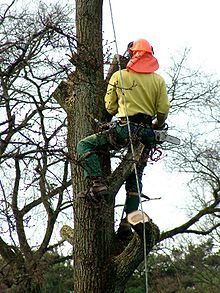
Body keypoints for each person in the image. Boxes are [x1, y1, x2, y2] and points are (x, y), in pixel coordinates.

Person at [77, 38, 170, 237]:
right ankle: (127, 225)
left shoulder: (120, 76)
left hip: (123, 129)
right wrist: (158, 127)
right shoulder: (158, 80)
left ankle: (97, 182)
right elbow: (163, 110)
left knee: (84, 145)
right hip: (146, 133)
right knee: (135, 178)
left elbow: (109, 107)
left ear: (131, 54)